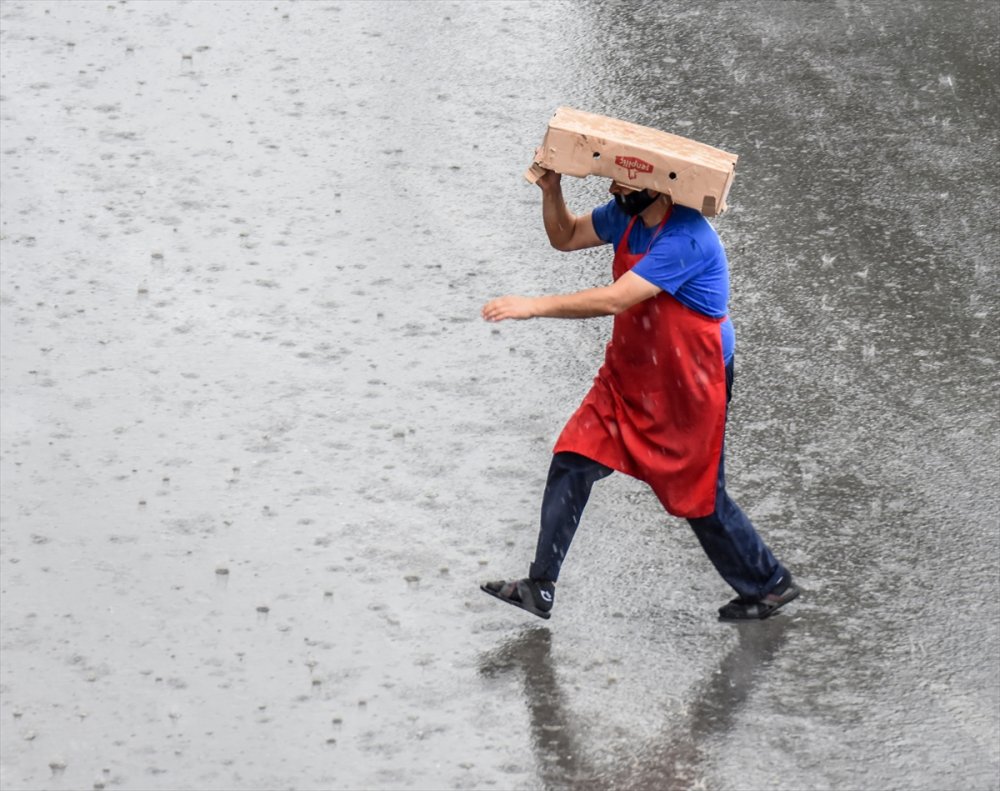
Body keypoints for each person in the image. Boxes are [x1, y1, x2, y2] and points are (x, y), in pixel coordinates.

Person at [480, 167, 799, 621]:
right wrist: (552, 191)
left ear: (660, 187)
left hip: (690, 378)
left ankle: (768, 584)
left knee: (698, 492)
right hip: (632, 371)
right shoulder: (624, 216)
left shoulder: (688, 237)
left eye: (624, 182)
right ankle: (541, 585)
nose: (613, 188)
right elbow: (566, 235)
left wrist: (534, 307)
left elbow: (616, 299)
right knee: (573, 457)